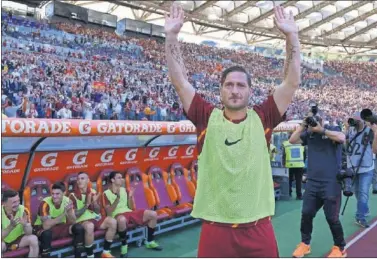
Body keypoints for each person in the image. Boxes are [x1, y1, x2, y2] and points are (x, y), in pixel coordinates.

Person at [165, 3, 301, 257]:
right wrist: (171, 36)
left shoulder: (263, 117)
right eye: (229, 85)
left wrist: (291, 36)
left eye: (240, 85)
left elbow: (292, 81)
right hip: (216, 228)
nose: (235, 90)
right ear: (220, 89)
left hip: (258, 226)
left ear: (250, 90)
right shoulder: (206, 117)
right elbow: (179, 81)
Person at [289, 115, 347, 258]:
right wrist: (303, 125)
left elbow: (341, 137)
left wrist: (321, 130)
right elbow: (292, 140)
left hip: (331, 183)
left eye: (316, 120)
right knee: (306, 214)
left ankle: (339, 247)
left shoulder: (331, 129)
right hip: (312, 183)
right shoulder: (309, 135)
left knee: (332, 218)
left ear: (321, 121)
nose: (313, 124)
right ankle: (305, 244)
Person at [103, 171, 162, 258]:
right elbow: (109, 212)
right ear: (112, 180)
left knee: (153, 214)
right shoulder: (106, 193)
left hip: (129, 212)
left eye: (122, 177)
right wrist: (117, 198)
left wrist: (130, 197)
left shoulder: (125, 190)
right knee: (121, 220)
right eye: (119, 178)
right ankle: (124, 246)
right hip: (117, 215)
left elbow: (130, 207)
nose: (122, 180)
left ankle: (150, 241)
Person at [69, 172, 117, 258]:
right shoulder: (72, 196)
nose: (79, 181)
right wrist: (87, 204)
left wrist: (94, 202)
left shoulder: (93, 192)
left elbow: (97, 211)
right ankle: (90, 255)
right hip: (81, 221)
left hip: (94, 217)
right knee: (89, 226)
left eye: (82, 178)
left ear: (88, 180)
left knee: (112, 221)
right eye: (78, 179)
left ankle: (106, 251)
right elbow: (75, 215)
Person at [34, 181, 86, 258]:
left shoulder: (67, 201)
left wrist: (69, 212)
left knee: (78, 228)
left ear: (64, 193)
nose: (54, 196)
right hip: (42, 229)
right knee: (46, 234)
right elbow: (45, 226)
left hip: (61, 227)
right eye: (53, 193)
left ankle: (78, 256)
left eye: (57, 194)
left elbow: (73, 221)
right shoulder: (45, 203)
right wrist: (64, 214)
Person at [345, 113, 376, 228]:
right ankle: (364, 210)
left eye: (357, 121)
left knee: (363, 192)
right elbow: (345, 146)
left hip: (366, 166)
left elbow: (375, 148)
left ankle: (360, 217)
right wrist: (347, 129)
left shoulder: (369, 131)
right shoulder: (350, 131)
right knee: (357, 192)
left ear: (363, 121)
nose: (355, 123)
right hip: (353, 166)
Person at [1, 190, 39, 257]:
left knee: (33, 238)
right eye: (14, 202)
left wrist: (25, 225)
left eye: (18, 201)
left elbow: (29, 233)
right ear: (4, 203)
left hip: (19, 240)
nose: (17, 204)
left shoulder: (24, 210)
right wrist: (11, 226)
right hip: (3, 242)